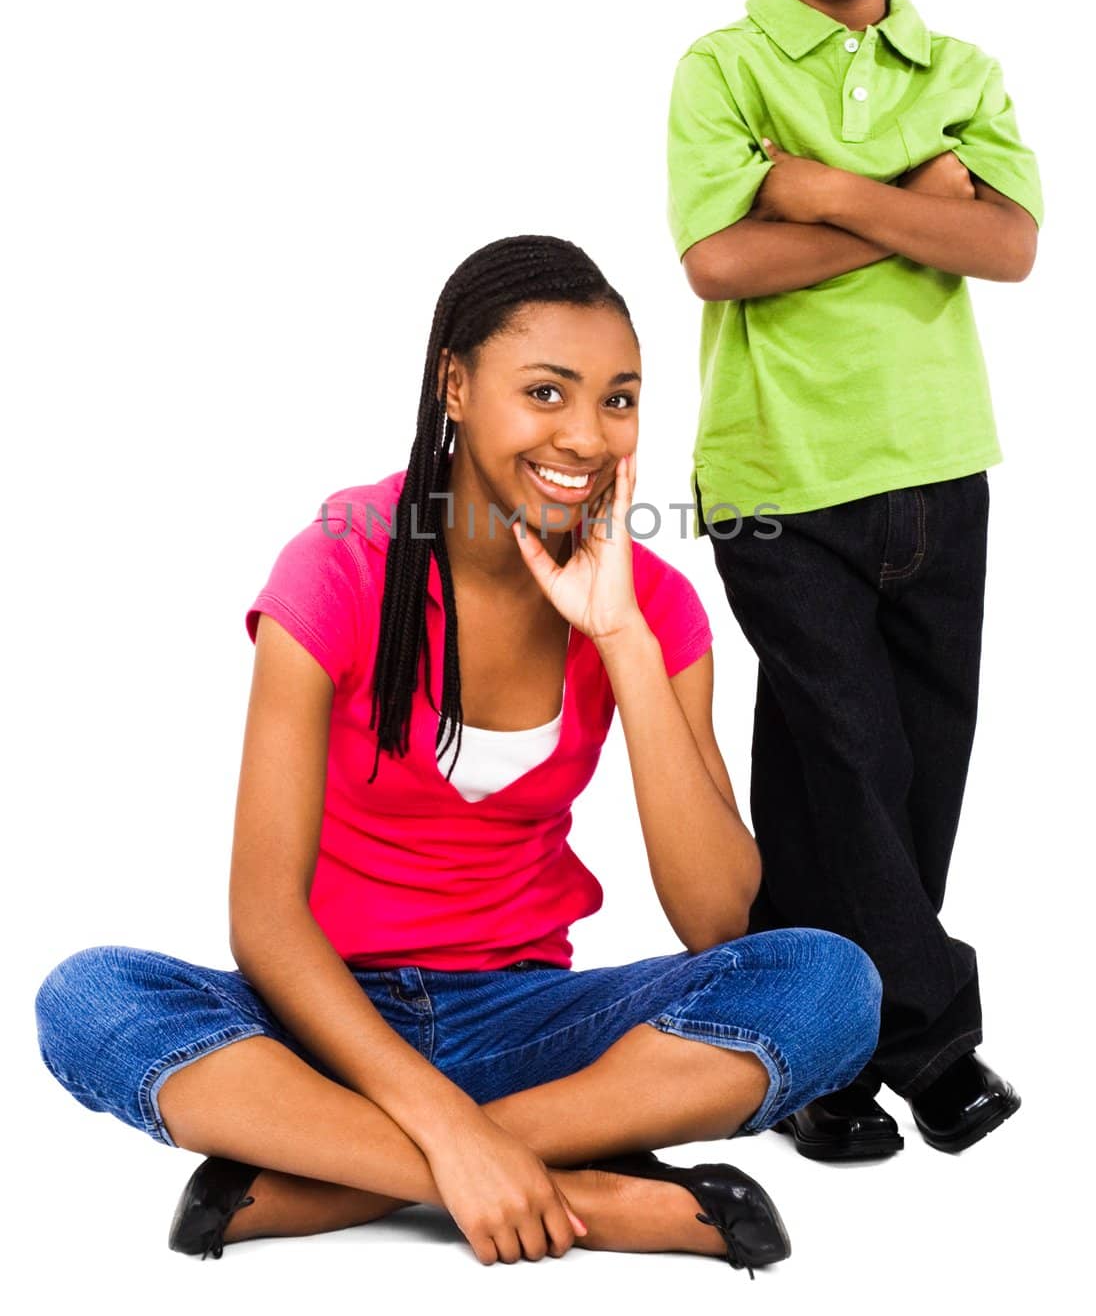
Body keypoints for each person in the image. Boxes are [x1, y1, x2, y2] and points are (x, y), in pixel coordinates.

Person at [35, 235, 880, 1272]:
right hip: (326, 1019)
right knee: (86, 999)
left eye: (618, 400)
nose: (585, 433)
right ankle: (577, 1193)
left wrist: (618, 636)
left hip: (530, 1018)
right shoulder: (339, 562)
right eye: (546, 391)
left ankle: (339, 1177)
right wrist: (443, 1119)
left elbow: (716, 919)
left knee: (828, 982)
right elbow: (264, 919)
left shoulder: (652, 606)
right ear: (456, 385)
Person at [666, 0, 1044, 1162]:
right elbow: (720, 260)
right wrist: (907, 206)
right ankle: (933, 1042)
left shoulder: (964, 74)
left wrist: (820, 188)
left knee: (901, 773)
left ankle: (811, 1055)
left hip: (940, 466)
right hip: (782, 475)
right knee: (847, 748)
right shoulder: (724, 67)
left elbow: (1008, 243)